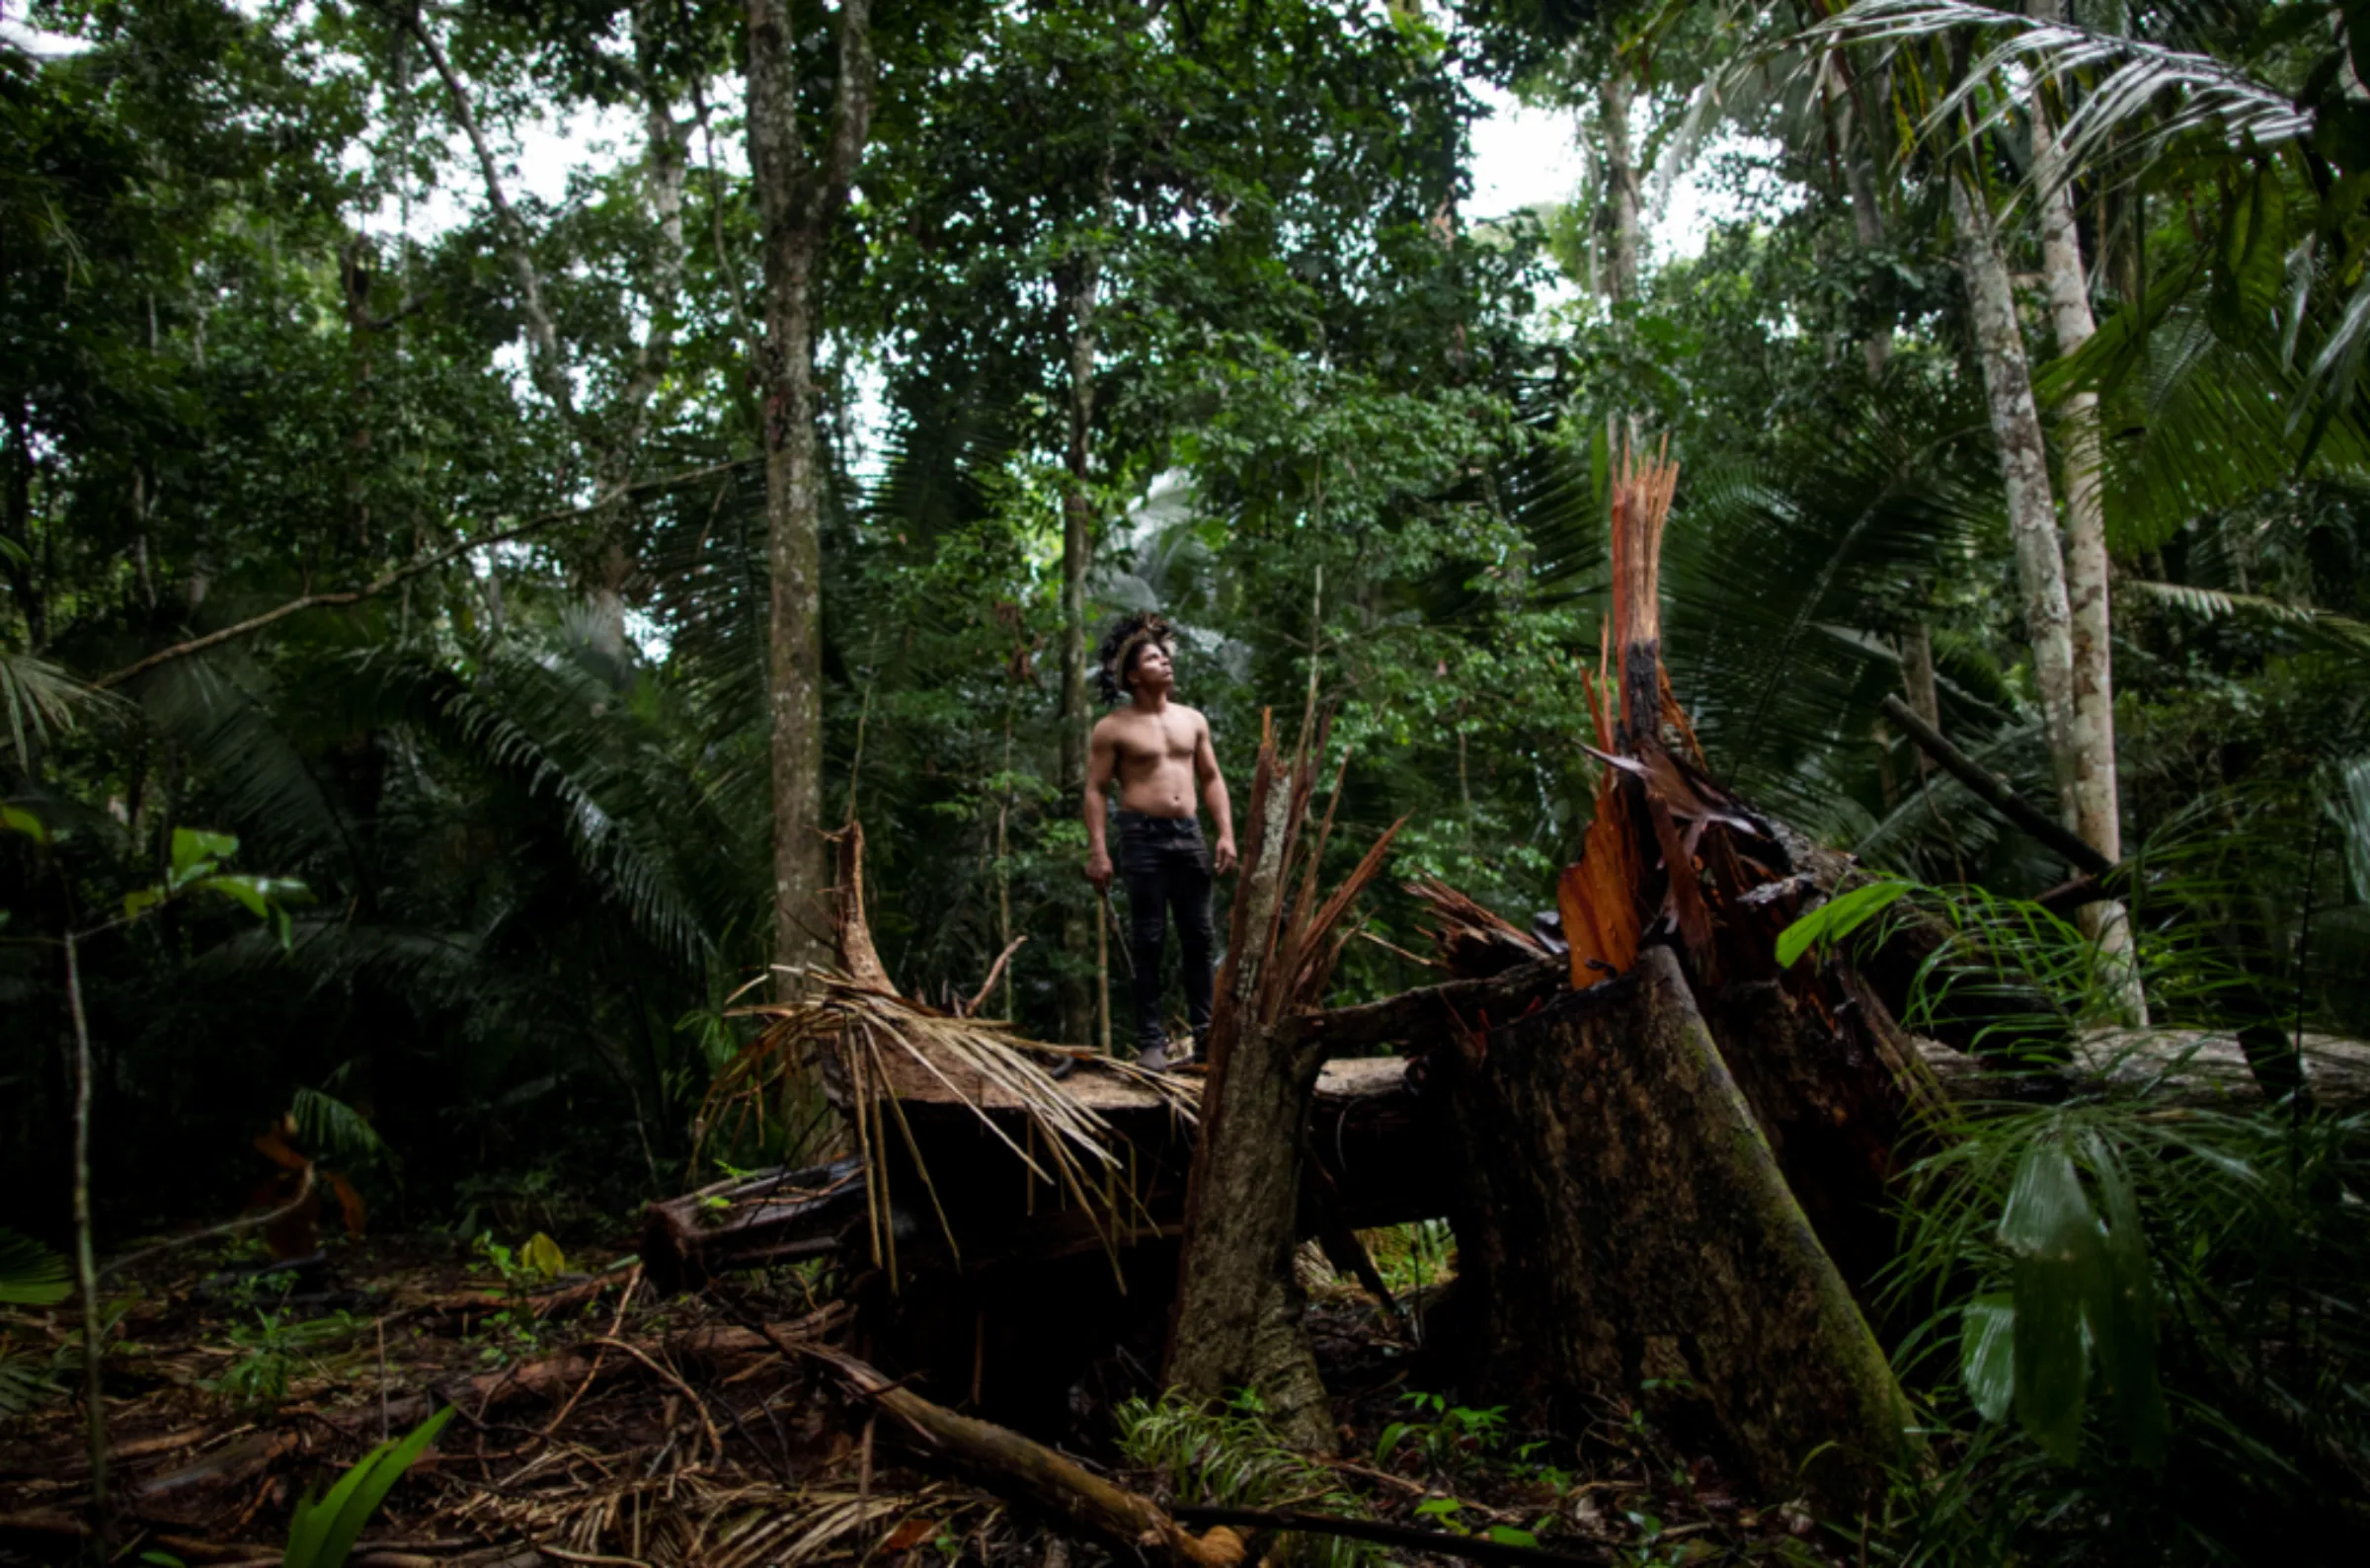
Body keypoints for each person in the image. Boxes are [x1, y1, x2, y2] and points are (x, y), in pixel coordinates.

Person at [1083, 613, 1237, 1069]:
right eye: (1154, 658)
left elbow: (1211, 777)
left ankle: (1207, 1038)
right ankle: (1151, 1043)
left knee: (1199, 938)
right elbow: (1095, 788)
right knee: (1147, 939)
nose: (1166, 663)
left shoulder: (1192, 720)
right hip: (1141, 838)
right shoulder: (1113, 727)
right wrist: (1098, 849)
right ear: (1133, 675)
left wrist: (1225, 833)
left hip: (1188, 836)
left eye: (1165, 656)